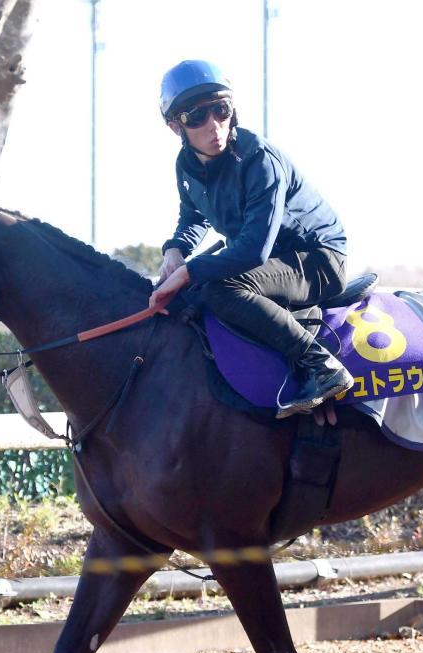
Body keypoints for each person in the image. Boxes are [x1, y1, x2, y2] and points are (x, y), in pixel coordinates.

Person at [148, 59, 354, 418]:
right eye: (196, 117)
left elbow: (254, 250)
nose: (214, 125)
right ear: (174, 127)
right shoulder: (186, 165)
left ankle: (322, 366)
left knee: (220, 289)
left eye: (221, 110)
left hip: (317, 259)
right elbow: (194, 214)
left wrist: (190, 271)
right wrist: (175, 250)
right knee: (192, 296)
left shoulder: (259, 158)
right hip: (271, 263)